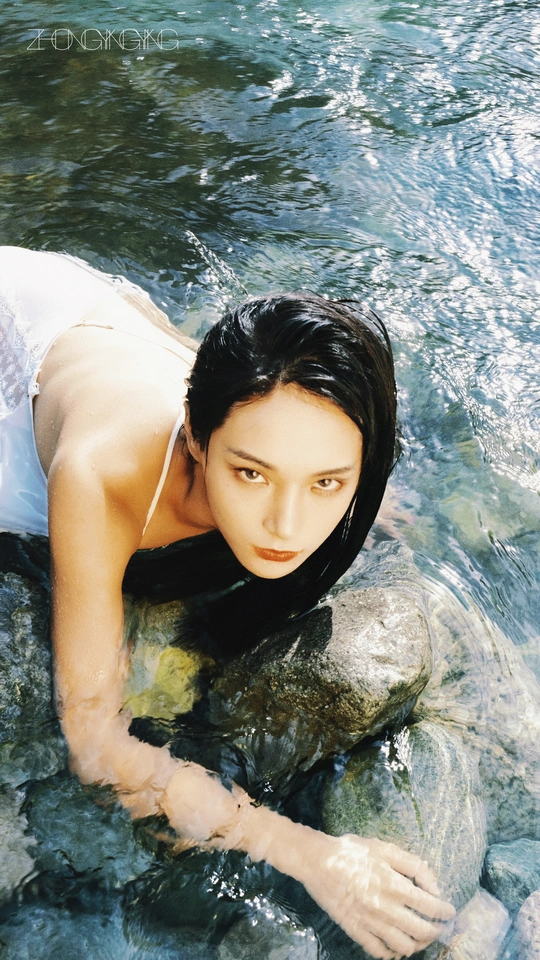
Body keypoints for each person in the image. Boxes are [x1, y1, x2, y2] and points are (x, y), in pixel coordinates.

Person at [0, 246, 455, 959]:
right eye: (251, 473)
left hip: (96, 323)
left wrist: (347, 489)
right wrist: (312, 855)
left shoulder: (266, 407)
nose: (286, 527)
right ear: (196, 437)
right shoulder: (104, 476)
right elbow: (94, 745)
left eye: (326, 482)